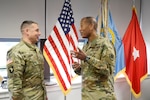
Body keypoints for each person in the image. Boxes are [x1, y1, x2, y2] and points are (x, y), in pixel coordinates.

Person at [71, 17, 117, 100]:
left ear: (91, 26)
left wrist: (87, 58)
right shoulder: (86, 46)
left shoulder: (105, 44)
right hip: (87, 96)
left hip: (102, 96)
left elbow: (108, 70)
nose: (79, 29)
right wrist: (78, 68)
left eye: (82, 26)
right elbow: (89, 71)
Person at [6, 20, 47, 100]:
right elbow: (14, 81)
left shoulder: (36, 50)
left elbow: (39, 78)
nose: (40, 33)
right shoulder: (16, 51)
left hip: (39, 96)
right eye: (37, 30)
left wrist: (44, 95)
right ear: (27, 31)